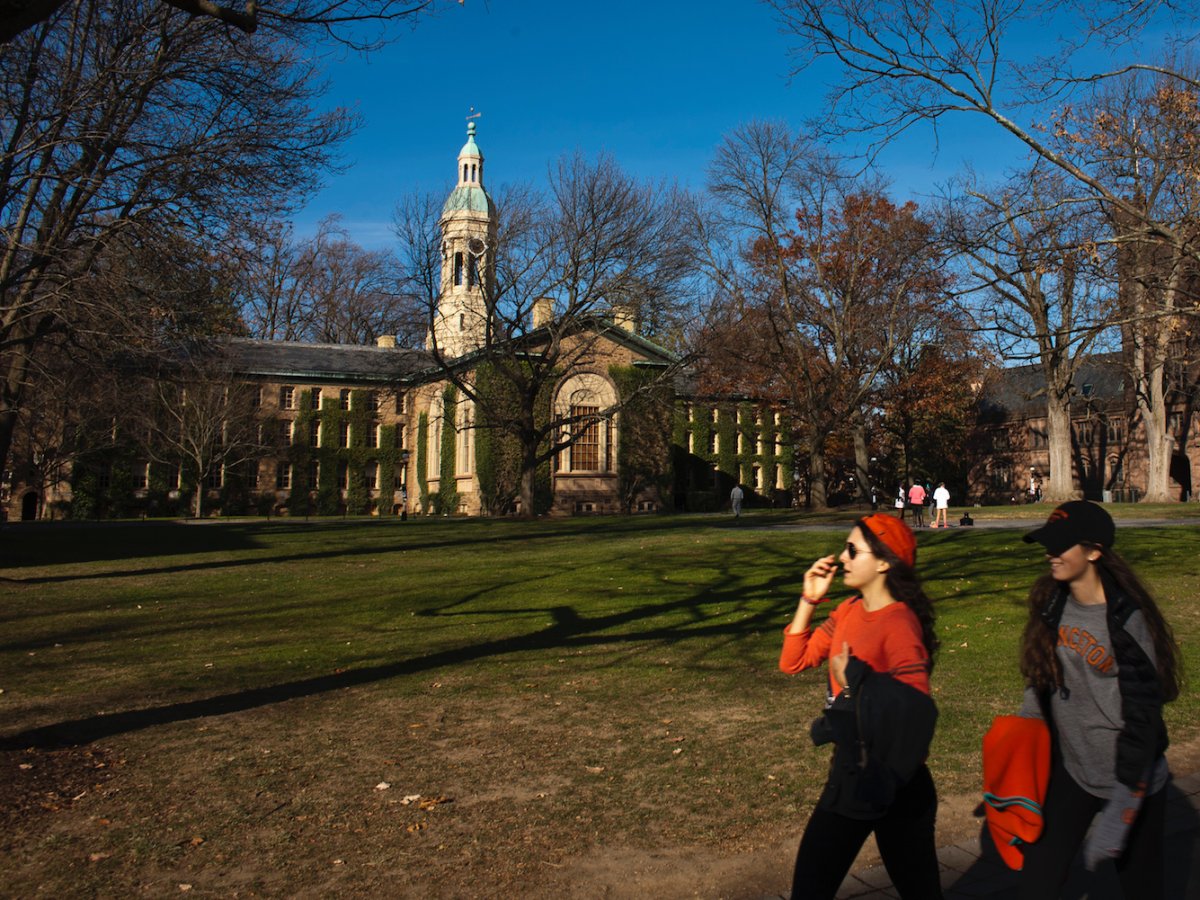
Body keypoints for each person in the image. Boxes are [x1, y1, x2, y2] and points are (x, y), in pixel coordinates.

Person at [1016, 501, 1181, 900]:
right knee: (1037, 883)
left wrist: (1125, 799)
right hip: (1074, 769)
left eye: (1061, 546)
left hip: (1129, 776)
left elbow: (1143, 713)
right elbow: (1043, 676)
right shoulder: (1052, 602)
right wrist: (1023, 735)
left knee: (1142, 888)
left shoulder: (1127, 620)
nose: (1050, 554)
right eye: (1048, 544)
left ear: (1094, 552)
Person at [779, 514, 943, 900]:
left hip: (895, 782)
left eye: (853, 550)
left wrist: (854, 678)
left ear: (884, 562)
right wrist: (809, 599)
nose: (842, 557)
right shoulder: (849, 610)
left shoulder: (899, 624)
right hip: (852, 771)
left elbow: (916, 714)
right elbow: (793, 661)